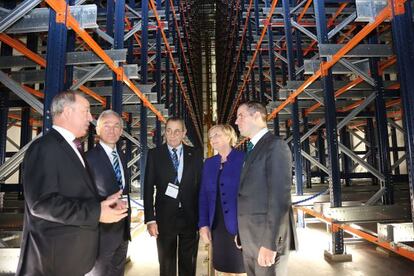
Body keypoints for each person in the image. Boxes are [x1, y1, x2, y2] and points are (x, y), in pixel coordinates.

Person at [16, 91, 128, 276]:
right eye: (85, 111)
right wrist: (97, 212)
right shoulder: (45, 147)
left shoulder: (72, 147)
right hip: (53, 262)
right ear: (67, 112)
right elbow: (41, 203)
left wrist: (102, 202)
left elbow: (73, 194)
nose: (90, 117)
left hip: (69, 259)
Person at [235, 101, 297, 276]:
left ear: (256, 116)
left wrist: (270, 244)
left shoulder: (275, 146)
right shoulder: (253, 148)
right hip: (251, 238)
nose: (237, 121)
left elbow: (279, 199)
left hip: (266, 241)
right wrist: (242, 233)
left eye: (241, 116)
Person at [144, 117, 203, 276]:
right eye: (169, 130)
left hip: (190, 218)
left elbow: (200, 189)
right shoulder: (155, 154)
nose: (172, 135)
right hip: (164, 218)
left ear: (184, 133)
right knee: (166, 262)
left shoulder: (195, 154)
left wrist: (203, 220)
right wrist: (150, 219)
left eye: (177, 131)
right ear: (165, 132)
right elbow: (148, 188)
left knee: (188, 262)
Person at [85, 110, 131, 276]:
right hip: (100, 235)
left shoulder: (123, 157)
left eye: (116, 126)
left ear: (121, 130)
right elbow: (82, 196)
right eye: (106, 126)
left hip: (123, 231)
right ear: (97, 130)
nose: (112, 130)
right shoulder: (88, 159)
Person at [198, 124, 245, 274]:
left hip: (238, 225)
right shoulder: (209, 163)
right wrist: (203, 224)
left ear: (229, 136)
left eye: (216, 135)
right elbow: (203, 195)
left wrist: (246, 227)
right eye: (210, 137)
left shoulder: (244, 159)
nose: (212, 139)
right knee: (223, 268)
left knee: (241, 267)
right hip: (217, 225)